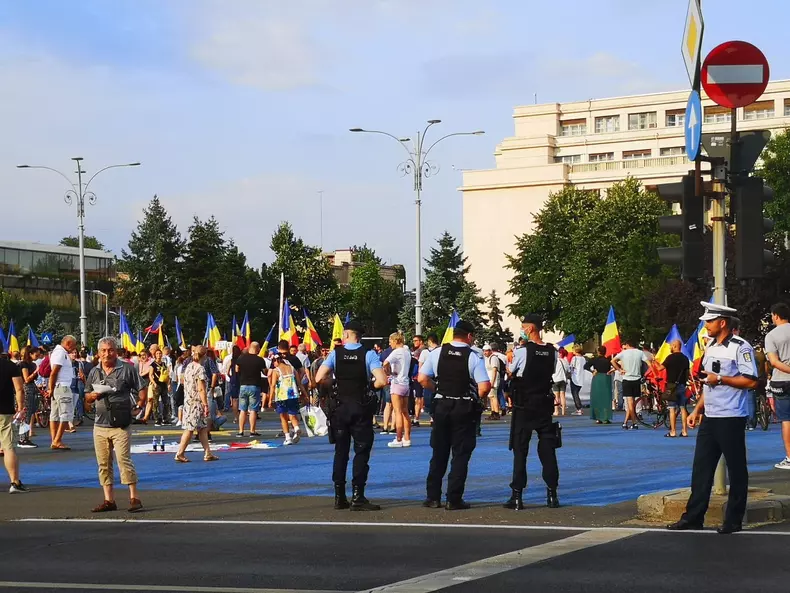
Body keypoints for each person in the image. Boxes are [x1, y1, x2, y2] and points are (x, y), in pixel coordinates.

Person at [668, 302, 759, 535]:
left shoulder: (741, 347)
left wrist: (720, 379)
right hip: (711, 415)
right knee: (701, 469)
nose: (705, 325)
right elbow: (707, 382)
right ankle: (694, 517)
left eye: (709, 321)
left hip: (731, 417)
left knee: (736, 470)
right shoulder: (709, 346)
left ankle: (733, 519)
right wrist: (698, 409)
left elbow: (751, 381)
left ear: (722, 323)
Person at [417, 320, 491, 510]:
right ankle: (454, 498)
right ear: (469, 336)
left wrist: (438, 389)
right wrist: (476, 398)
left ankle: (433, 497)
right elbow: (484, 387)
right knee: (460, 453)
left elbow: (422, 379)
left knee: (439, 452)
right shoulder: (473, 356)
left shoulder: (437, 353)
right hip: (463, 406)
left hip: (442, 405)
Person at [315, 320, 387, 511]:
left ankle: (339, 496)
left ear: (346, 335)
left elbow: (318, 378)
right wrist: (370, 386)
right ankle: (358, 496)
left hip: (339, 409)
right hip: (360, 409)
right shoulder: (368, 354)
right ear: (360, 336)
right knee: (361, 451)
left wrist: (333, 384)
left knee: (341, 452)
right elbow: (382, 380)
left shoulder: (335, 354)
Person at [84, 337, 146, 512]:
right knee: (103, 463)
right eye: (103, 350)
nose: (107, 354)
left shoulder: (126, 369)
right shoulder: (94, 372)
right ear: (98, 353)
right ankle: (109, 500)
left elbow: (141, 388)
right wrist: (92, 396)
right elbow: (87, 396)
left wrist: (139, 406)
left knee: (123, 460)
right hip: (100, 424)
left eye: (110, 350)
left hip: (121, 424)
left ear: (116, 351)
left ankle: (134, 497)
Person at [505, 315, 560, 510]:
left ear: (529, 329)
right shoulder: (552, 352)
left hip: (524, 405)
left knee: (520, 450)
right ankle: (552, 493)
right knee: (548, 450)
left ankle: (517, 495)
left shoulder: (522, 351)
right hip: (544, 404)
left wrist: (509, 360)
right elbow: (551, 373)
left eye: (522, 327)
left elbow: (511, 372)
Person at [174, 346, 219, 463]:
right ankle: (180, 453)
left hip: (188, 400)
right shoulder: (200, 369)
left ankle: (207, 452)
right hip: (196, 403)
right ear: (204, 356)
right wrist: (205, 404)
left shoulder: (188, 366)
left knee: (202, 428)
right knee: (189, 429)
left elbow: (183, 381)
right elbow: (201, 389)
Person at [0, 341, 29, 492]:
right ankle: (14, 482)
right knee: (8, 446)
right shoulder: (10, 366)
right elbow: (19, 388)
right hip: (4, 410)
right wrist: (20, 406)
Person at [764, 303, 790, 469]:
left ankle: (789, 457)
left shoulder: (772, 336)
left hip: (783, 380)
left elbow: (774, 362)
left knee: (787, 419)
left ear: (775, 315)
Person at [611, 338, 648, 430]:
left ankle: (634, 422)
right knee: (633, 403)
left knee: (630, 403)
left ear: (627, 345)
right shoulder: (640, 352)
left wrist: (620, 370)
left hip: (627, 379)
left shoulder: (624, 353)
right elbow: (648, 363)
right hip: (637, 379)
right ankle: (625, 422)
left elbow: (612, 361)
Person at [656, 340, 690, 438]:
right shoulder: (685, 358)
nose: (670, 348)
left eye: (671, 346)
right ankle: (684, 431)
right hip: (682, 385)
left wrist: (655, 362)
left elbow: (660, 368)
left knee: (672, 409)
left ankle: (673, 431)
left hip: (671, 386)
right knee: (683, 408)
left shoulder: (670, 358)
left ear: (675, 346)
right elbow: (687, 372)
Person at [48, 335, 77, 450]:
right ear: (68, 343)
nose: (74, 349)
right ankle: (57, 440)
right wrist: (51, 387)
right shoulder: (60, 353)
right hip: (63, 387)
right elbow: (54, 372)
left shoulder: (57, 352)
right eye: (74, 346)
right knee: (66, 414)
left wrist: (51, 388)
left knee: (54, 415)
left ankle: (54, 439)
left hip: (57, 387)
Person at [383, 332, 412, 448]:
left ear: (396, 341)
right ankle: (407, 438)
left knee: (397, 411)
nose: (390, 344)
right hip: (405, 383)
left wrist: (388, 372)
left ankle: (399, 438)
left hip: (397, 383)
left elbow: (385, 363)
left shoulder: (397, 352)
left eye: (391, 341)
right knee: (405, 411)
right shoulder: (407, 351)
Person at [235, 342, 268, 437]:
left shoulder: (241, 358)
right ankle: (252, 431)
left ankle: (240, 431)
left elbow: (237, 369)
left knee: (242, 409)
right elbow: (265, 372)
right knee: (253, 409)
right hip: (254, 386)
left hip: (243, 385)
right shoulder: (260, 360)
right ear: (257, 349)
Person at [269, 353, 303, 445]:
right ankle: (296, 428)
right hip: (293, 395)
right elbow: (299, 383)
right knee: (293, 415)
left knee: (283, 417)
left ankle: (287, 438)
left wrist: (270, 399)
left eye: (273, 362)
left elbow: (272, 386)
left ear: (276, 360)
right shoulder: (292, 368)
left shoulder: (276, 371)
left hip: (282, 396)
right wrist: (305, 395)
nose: (273, 364)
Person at [17, 347, 40, 448]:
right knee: (26, 414)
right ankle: (23, 439)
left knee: (29, 413)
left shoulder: (32, 364)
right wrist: (36, 372)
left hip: (32, 388)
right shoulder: (23, 364)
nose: (38, 357)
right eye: (36, 355)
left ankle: (25, 438)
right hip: (26, 389)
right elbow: (26, 379)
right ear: (30, 354)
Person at [586, 346, 613, 424]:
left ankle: (598, 418)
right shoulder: (608, 360)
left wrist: (592, 371)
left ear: (598, 352)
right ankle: (605, 417)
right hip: (606, 378)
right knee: (606, 398)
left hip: (597, 378)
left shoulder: (594, 360)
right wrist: (611, 371)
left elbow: (586, 366)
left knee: (597, 398)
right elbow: (617, 365)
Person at [418, 333, 439, 425]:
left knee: (429, 397)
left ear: (429, 341)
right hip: (438, 376)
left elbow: (420, 366)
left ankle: (432, 416)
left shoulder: (425, 352)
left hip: (427, 377)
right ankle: (435, 416)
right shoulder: (441, 351)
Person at [483, 344, 502, 420]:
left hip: (493, 379)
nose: (485, 352)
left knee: (493, 397)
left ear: (490, 351)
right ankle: (493, 412)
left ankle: (496, 413)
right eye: (484, 351)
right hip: (490, 379)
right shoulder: (487, 358)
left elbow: (494, 370)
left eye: (486, 351)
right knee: (491, 397)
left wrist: (492, 382)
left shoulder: (493, 358)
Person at [411, 335, 425, 426]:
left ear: (421, 341)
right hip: (420, 376)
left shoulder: (420, 351)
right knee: (420, 397)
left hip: (419, 376)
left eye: (416, 340)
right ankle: (417, 418)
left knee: (419, 398)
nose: (414, 342)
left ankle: (416, 418)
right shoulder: (423, 350)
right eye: (413, 341)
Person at [552, 347, 570, 416]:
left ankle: (556, 411)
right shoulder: (565, 362)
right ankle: (563, 411)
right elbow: (568, 371)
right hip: (563, 380)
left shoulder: (556, 361)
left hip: (556, 379)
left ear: (560, 353)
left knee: (556, 396)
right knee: (563, 396)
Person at [568, 346, 586, 416]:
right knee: (576, 393)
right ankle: (579, 408)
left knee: (575, 393)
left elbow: (572, 367)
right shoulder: (583, 359)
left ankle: (579, 408)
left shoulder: (574, 358)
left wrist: (569, 372)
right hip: (581, 377)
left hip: (575, 377)